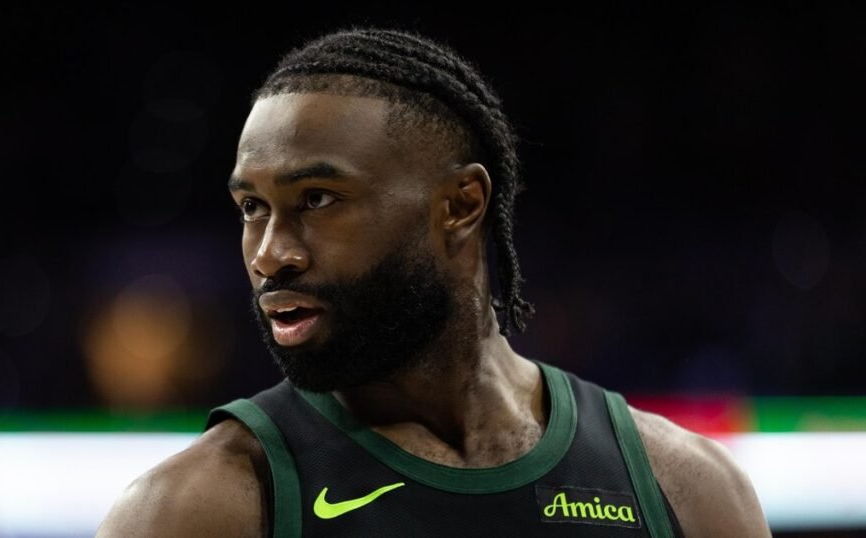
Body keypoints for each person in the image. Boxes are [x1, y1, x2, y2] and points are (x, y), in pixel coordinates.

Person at [96, 26, 770, 537]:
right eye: (252, 208)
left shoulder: (686, 489)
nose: (271, 255)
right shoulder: (195, 509)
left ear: (460, 206)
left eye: (318, 200)